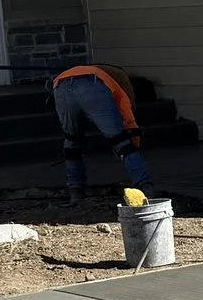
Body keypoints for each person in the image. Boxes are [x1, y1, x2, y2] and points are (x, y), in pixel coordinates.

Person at [51, 62, 151, 201]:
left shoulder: (106, 71)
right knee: (120, 140)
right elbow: (126, 109)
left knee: (72, 141)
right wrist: (133, 135)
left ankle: (76, 192)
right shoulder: (122, 83)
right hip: (91, 83)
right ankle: (145, 187)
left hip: (60, 84)